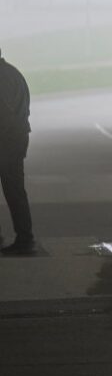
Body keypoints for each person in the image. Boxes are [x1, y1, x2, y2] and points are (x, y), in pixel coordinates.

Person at [0, 47, 33, 255]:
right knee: (16, 191)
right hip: (17, 139)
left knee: (13, 191)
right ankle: (25, 236)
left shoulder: (2, 78)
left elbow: (4, 114)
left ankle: (25, 239)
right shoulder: (14, 74)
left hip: (6, 142)